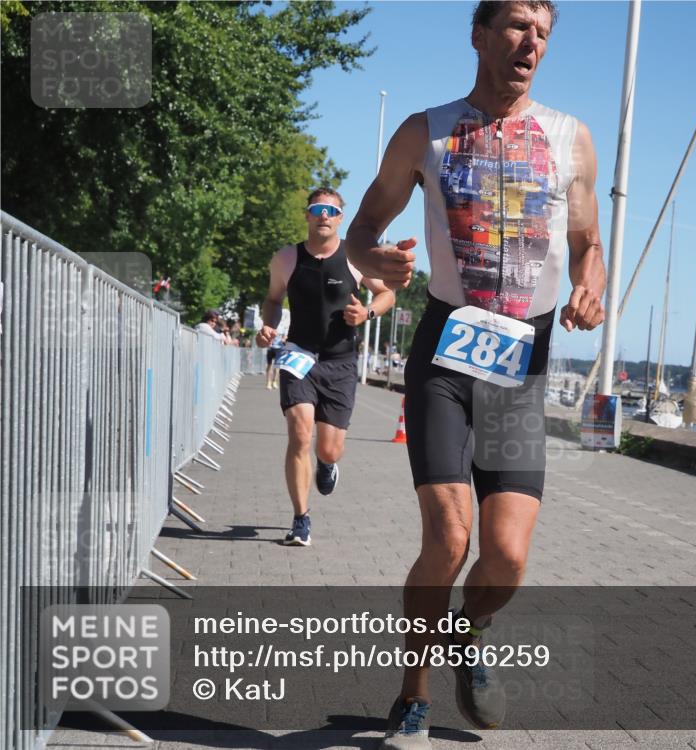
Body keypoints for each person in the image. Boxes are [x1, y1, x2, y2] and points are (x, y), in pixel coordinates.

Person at [344, 2, 606, 746]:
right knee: (448, 538)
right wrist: (375, 260)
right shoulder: (423, 132)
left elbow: (589, 243)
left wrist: (591, 285)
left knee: (509, 556)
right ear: (481, 35)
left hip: (523, 363)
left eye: (544, 33)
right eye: (519, 26)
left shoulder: (571, 139)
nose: (532, 44)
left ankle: (471, 629)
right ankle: (413, 697)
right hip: (447, 356)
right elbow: (362, 231)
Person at [256, 188, 395, 546]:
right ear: (307, 215)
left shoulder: (354, 256)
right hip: (299, 355)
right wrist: (268, 325)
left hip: (340, 362)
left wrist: (367, 312)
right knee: (299, 432)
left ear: (340, 218)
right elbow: (272, 300)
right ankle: (301, 519)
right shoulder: (286, 259)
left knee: (328, 448)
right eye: (317, 209)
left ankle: (328, 464)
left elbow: (387, 294)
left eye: (331, 211)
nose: (324, 216)